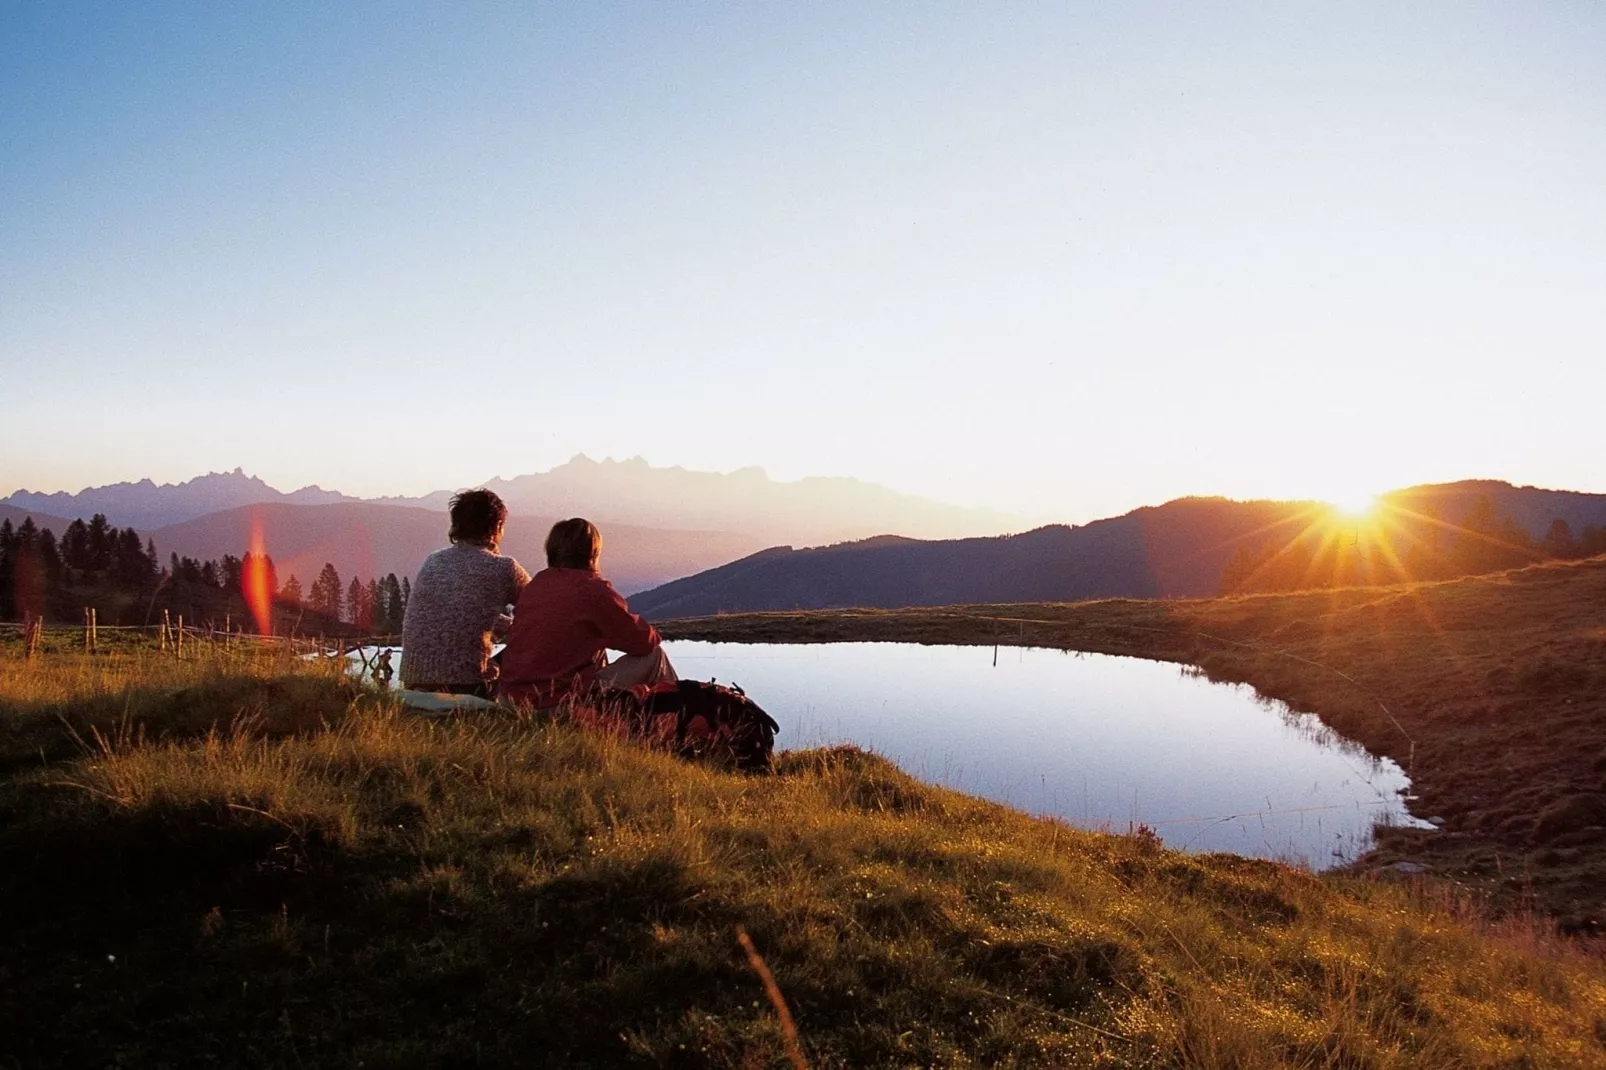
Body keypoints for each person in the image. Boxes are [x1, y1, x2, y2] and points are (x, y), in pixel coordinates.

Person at [498, 517, 677, 708]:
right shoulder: (592, 590)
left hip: (509, 698)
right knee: (654, 656)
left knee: (595, 651)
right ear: (592, 553)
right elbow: (643, 643)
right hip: (552, 702)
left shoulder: (537, 585)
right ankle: (679, 716)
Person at [400, 489, 529, 696]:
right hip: (467, 685)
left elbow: (459, 612)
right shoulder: (504, 568)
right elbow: (543, 609)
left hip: (413, 681)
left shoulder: (433, 561)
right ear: (497, 526)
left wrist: (502, 624)